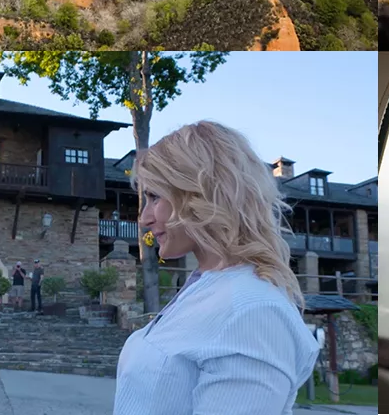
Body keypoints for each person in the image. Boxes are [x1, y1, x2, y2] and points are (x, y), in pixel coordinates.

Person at [113, 121, 320, 415]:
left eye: (154, 196)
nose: (144, 218)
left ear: (200, 193)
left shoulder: (253, 311)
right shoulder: (206, 288)